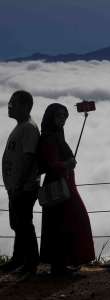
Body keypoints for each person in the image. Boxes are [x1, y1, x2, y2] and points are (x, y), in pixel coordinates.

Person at [38, 103, 95, 275]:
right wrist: (67, 164)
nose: (62, 119)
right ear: (50, 117)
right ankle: (60, 265)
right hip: (59, 186)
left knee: (63, 224)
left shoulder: (55, 135)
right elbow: (51, 164)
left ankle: (62, 264)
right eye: (58, 116)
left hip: (64, 185)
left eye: (64, 116)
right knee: (64, 224)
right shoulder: (49, 138)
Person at [0, 90, 40, 276]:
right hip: (16, 186)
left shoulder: (29, 128)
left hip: (23, 187)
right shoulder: (22, 126)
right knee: (18, 224)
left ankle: (31, 263)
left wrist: (20, 184)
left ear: (25, 106)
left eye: (13, 103)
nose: (9, 106)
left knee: (24, 224)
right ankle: (18, 259)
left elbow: (28, 158)